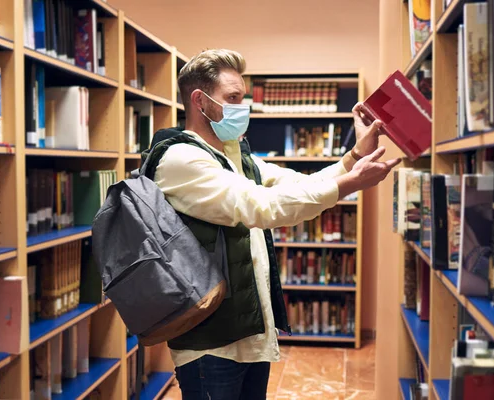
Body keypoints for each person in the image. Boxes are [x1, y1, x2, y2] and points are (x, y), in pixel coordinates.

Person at [151, 48, 401, 400]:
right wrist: (352, 184)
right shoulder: (182, 159)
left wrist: (356, 156)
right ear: (200, 101)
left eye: (244, 98)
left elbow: (299, 184)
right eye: (233, 98)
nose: (243, 108)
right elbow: (261, 207)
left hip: (250, 333)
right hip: (211, 343)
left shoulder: (234, 155)